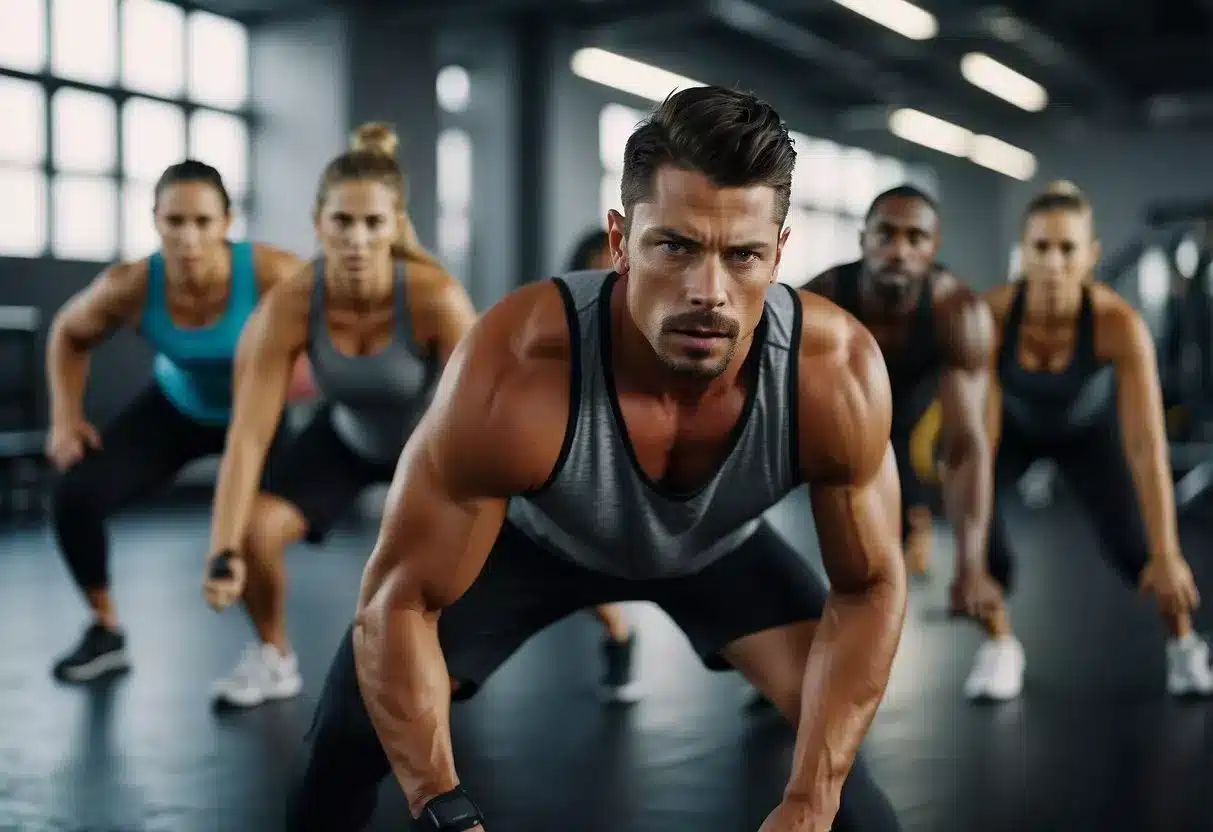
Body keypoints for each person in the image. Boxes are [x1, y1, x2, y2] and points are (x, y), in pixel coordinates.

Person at [283, 86, 906, 832]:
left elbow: (869, 587)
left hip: (721, 552)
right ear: (619, 240)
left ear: (778, 253)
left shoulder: (832, 371)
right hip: (538, 543)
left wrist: (808, 798)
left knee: (851, 803)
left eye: (741, 255)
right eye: (673, 246)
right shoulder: (517, 364)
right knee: (349, 738)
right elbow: (399, 600)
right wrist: (441, 805)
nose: (708, 293)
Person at [200, 123, 478, 710]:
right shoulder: (292, 304)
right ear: (318, 222)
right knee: (255, 532)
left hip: (431, 447)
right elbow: (249, 435)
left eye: (372, 223)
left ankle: (598, 624)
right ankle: (274, 658)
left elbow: (476, 420)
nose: (355, 239)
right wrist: (222, 549)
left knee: (445, 571)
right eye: (341, 222)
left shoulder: (434, 297)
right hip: (346, 438)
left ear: (395, 224)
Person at [44, 160, 306, 684]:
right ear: (156, 222)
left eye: (203, 222)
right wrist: (66, 418)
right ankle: (106, 630)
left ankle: (274, 654)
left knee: (252, 533)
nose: (188, 237)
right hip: (177, 409)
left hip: (261, 417)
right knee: (76, 495)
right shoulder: (133, 284)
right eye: (175, 221)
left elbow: (337, 327)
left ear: (227, 222)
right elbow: (69, 333)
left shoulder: (274, 272)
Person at [960, 180, 1213, 701]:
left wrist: (1167, 552)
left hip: (1089, 436)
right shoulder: (992, 316)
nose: (1053, 262)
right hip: (1013, 432)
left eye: (1067, 248)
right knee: (983, 541)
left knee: (1140, 551)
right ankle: (1000, 645)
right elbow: (977, 444)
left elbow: (1146, 445)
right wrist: (970, 558)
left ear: (1091, 256)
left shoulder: (1118, 325)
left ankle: (1185, 646)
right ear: (1022, 253)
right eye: (1041, 247)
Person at [804, 186, 996, 609]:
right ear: (863, 239)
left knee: (982, 550)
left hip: (910, 415)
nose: (898, 250)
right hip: (847, 422)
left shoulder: (958, 312)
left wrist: (970, 566)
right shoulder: (823, 298)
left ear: (934, 247)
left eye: (915, 238)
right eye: (885, 235)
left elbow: (966, 444)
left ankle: (921, 529)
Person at [564, 227, 640, 699]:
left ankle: (619, 634)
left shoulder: (646, 327)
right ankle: (618, 632)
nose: (605, 278)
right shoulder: (566, 323)